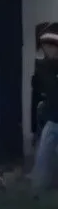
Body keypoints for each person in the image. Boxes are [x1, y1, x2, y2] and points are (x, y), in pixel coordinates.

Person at [32, 32, 58, 193]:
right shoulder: (43, 66)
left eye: (50, 47)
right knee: (43, 154)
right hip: (52, 118)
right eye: (44, 47)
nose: (47, 50)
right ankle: (38, 189)